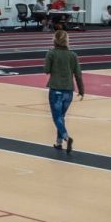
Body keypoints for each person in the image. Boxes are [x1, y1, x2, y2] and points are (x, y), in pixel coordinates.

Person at [43, 23, 85, 153]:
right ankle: (58, 142)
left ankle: (66, 137)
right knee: (61, 116)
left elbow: (46, 70)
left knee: (57, 117)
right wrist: (81, 90)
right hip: (68, 91)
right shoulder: (73, 55)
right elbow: (78, 74)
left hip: (56, 89)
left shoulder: (51, 53)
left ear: (54, 40)